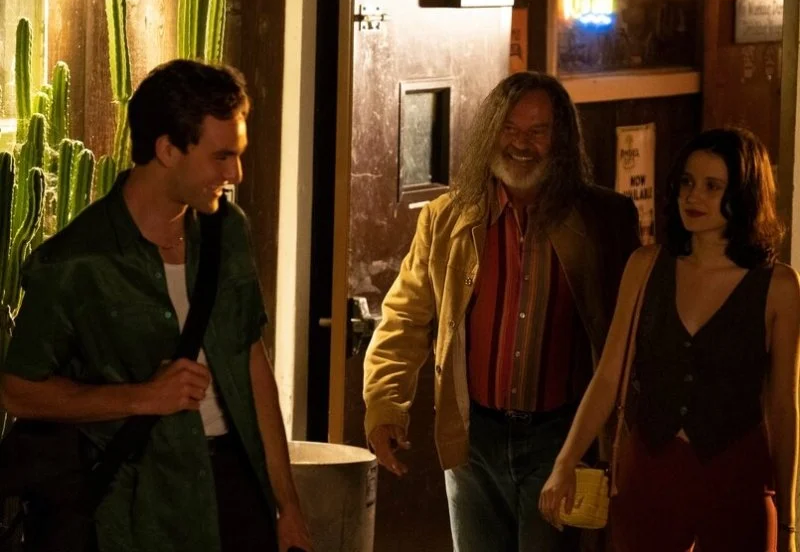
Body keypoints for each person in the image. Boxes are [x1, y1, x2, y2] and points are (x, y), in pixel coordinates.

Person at [0, 60, 313, 552]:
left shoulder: (228, 231)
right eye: (221, 156)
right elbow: (18, 392)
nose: (235, 173)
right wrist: (142, 397)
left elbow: (252, 361)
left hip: (235, 489)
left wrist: (287, 505)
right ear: (168, 150)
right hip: (137, 506)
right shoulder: (76, 261)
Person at [363, 71, 640, 551]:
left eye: (538, 131)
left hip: (563, 442)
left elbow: (631, 335)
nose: (521, 144)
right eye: (509, 128)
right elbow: (405, 318)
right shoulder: (446, 218)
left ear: (562, 139)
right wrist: (385, 405)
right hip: (472, 441)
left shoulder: (605, 220)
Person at [539, 128, 799, 552]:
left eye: (712, 186)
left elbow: (783, 407)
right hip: (649, 472)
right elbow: (608, 376)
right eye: (687, 182)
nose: (693, 196)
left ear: (744, 194)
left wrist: (789, 524)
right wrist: (565, 461)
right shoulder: (645, 266)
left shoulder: (779, 286)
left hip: (736, 477)